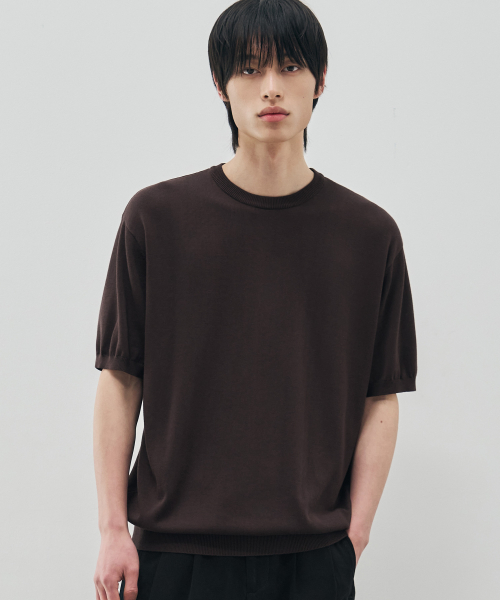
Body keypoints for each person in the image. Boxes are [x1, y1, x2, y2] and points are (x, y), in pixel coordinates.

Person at [92, 0, 418, 598]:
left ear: (321, 80)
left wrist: (355, 535)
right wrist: (113, 528)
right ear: (220, 85)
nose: (271, 87)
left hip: (313, 556)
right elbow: (120, 378)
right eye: (249, 68)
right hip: (176, 552)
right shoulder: (156, 220)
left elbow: (381, 393)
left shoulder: (369, 234)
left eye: (290, 67)